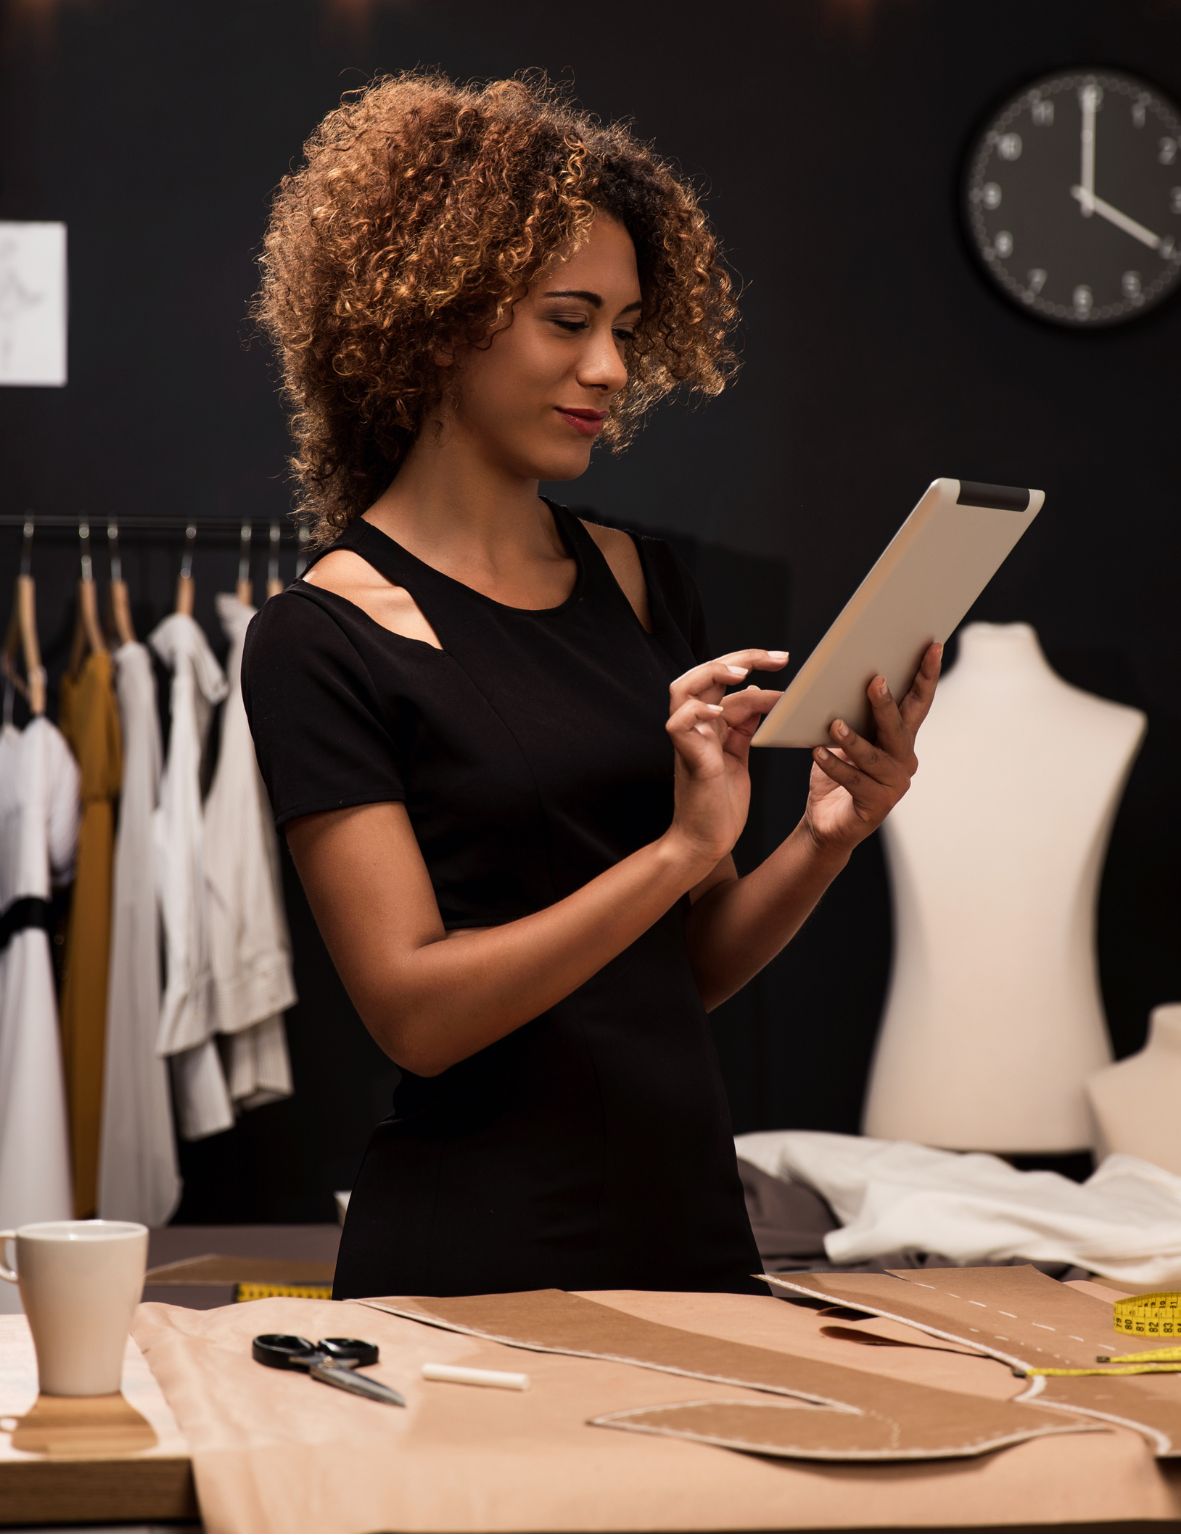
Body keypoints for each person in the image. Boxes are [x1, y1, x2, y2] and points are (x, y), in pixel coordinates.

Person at [241, 66, 941, 1300]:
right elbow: (415, 1011)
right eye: (570, 320)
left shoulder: (636, 578)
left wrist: (829, 836)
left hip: (684, 1234)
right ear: (439, 320)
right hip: (473, 1255)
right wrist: (675, 852)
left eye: (624, 325)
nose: (612, 367)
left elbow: (686, 969)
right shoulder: (322, 634)